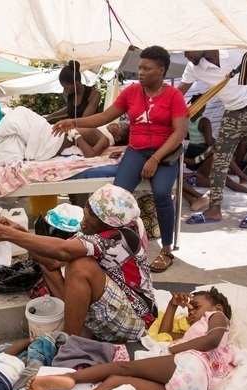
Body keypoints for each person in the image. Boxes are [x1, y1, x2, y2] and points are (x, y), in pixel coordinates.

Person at [14, 287, 235, 390]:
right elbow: (164, 334)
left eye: (196, 307)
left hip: (189, 367)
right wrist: (172, 306)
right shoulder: (193, 333)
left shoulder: (216, 317)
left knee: (122, 367)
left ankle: (70, 377)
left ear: (216, 308)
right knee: (116, 382)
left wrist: (172, 352)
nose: (191, 313)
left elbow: (212, 340)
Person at [53, 46, 189, 273]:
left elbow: (179, 133)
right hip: (137, 150)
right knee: (116, 195)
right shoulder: (132, 92)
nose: (141, 72)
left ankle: (166, 250)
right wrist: (73, 123)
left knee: (163, 195)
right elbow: (105, 116)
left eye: (147, 68)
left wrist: (155, 158)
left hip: (164, 153)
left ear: (161, 70)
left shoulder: (174, 96)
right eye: (140, 68)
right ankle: (109, 244)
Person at [0, 184, 157, 343]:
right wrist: (18, 230)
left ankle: (69, 343)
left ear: (110, 224)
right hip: (110, 309)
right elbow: (55, 259)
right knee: (46, 260)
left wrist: (7, 234)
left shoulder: (122, 237)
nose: (85, 215)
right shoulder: (93, 232)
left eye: (93, 215)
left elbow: (65, 251)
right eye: (88, 207)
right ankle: (82, 329)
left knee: (80, 267)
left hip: (135, 319)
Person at [179, 50, 247, 228]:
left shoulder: (238, 51)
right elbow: (176, 94)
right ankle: (214, 209)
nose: (185, 55)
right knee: (219, 162)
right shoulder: (193, 68)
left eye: (187, 49)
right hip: (231, 113)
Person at [0, 106, 129, 166]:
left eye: (119, 127)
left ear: (116, 138)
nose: (116, 124)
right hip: (54, 134)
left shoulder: (104, 139)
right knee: (20, 115)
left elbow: (91, 155)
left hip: (53, 142)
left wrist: (76, 135)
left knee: (20, 115)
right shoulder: (101, 128)